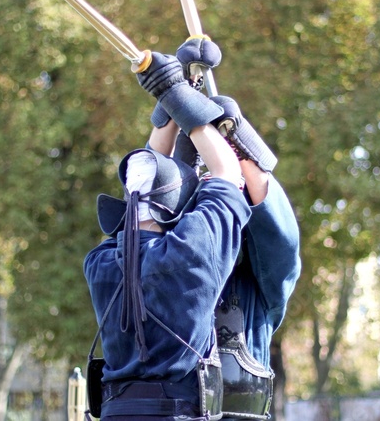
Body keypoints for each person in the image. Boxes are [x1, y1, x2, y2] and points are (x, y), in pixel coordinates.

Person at [84, 50, 253, 420]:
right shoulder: (189, 248)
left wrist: (172, 104)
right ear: (175, 210)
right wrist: (175, 94)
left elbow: (138, 202)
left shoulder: (99, 264)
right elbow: (228, 173)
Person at [172, 37, 302, 420]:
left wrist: (235, 137)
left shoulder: (260, 289)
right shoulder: (163, 266)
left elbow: (280, 237)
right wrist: (176, 105)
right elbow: (151, 208)